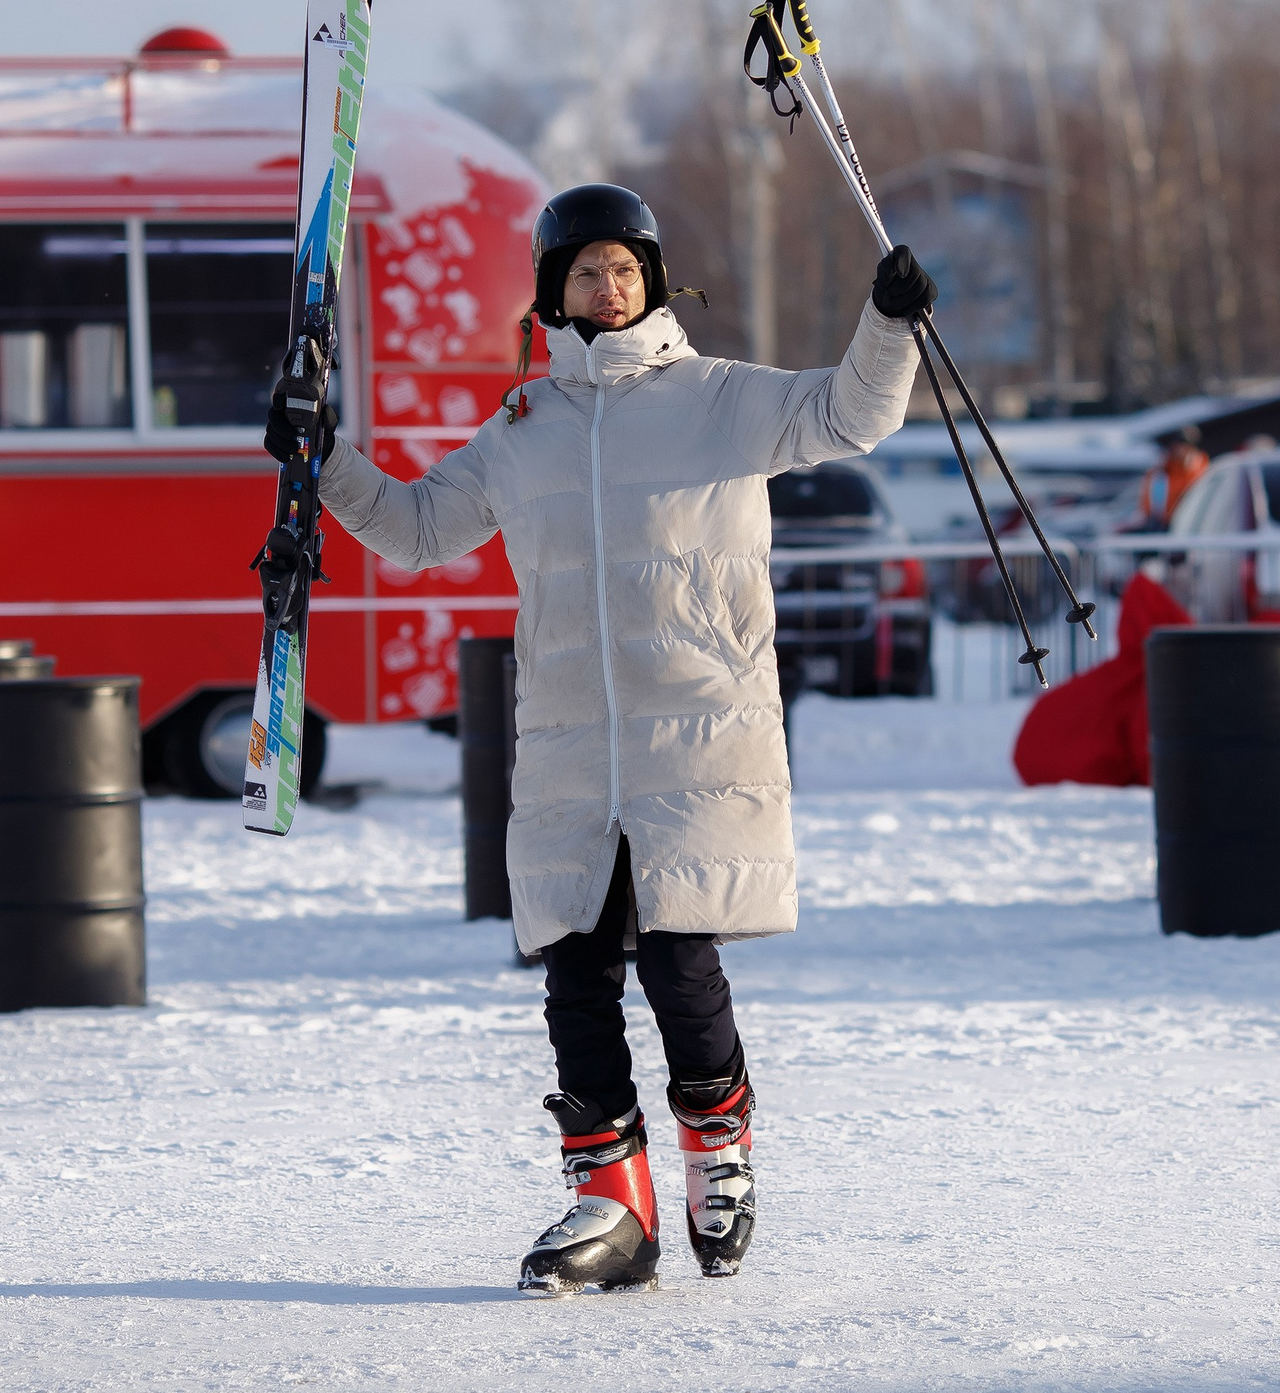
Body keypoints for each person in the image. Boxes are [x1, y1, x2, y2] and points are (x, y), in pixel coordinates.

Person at [266, 182, 931, 1294]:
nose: (607, 284)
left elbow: (851, 414)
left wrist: (888, 322)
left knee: (681, 962)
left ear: (653, 280)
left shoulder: (719, 397)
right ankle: (610, 1202)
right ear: (551, 293)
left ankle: (718, 1156)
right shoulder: (525, 426)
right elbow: (421, 529)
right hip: (572, 740)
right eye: (584, 270)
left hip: (699, 732)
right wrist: (324, 459)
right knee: (573, 968)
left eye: (624, 266)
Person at [1136, 427, 1210, 529]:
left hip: (1196, 525)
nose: (1180, 450)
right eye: (1177, 446)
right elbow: (1149, 507)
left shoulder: (1205, 472)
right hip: (1166, 526)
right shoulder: (1161, 474)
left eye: (1185, 446)